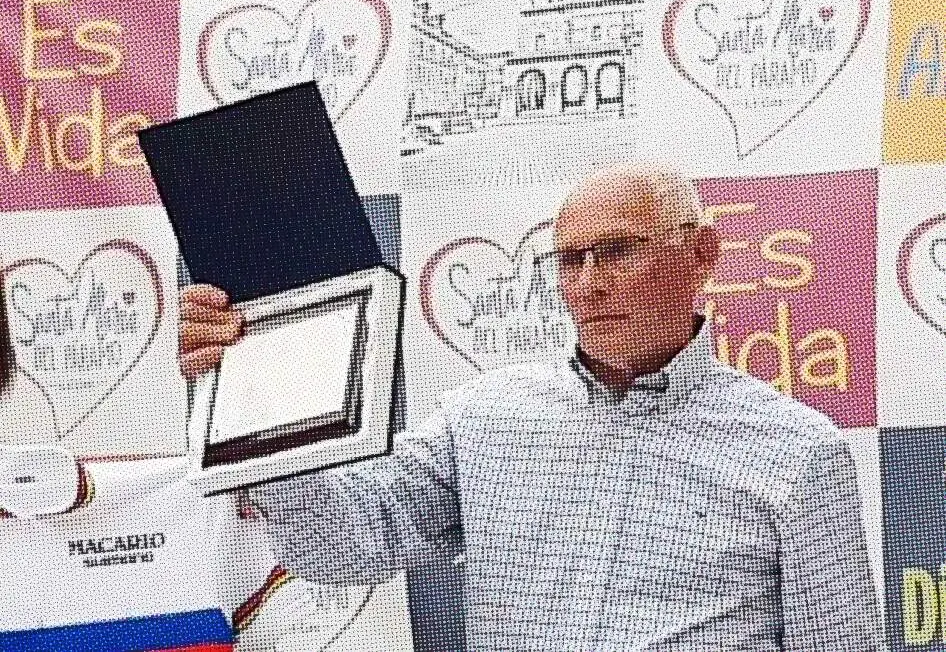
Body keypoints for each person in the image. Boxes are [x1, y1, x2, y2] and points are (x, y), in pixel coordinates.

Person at [180, 165, 885, 650]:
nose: (588, 285)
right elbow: (339, 546)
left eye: (618, 252)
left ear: (701, 254)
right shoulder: (484, 419)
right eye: (569, 260)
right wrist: (256, 383)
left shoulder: (799, 454)